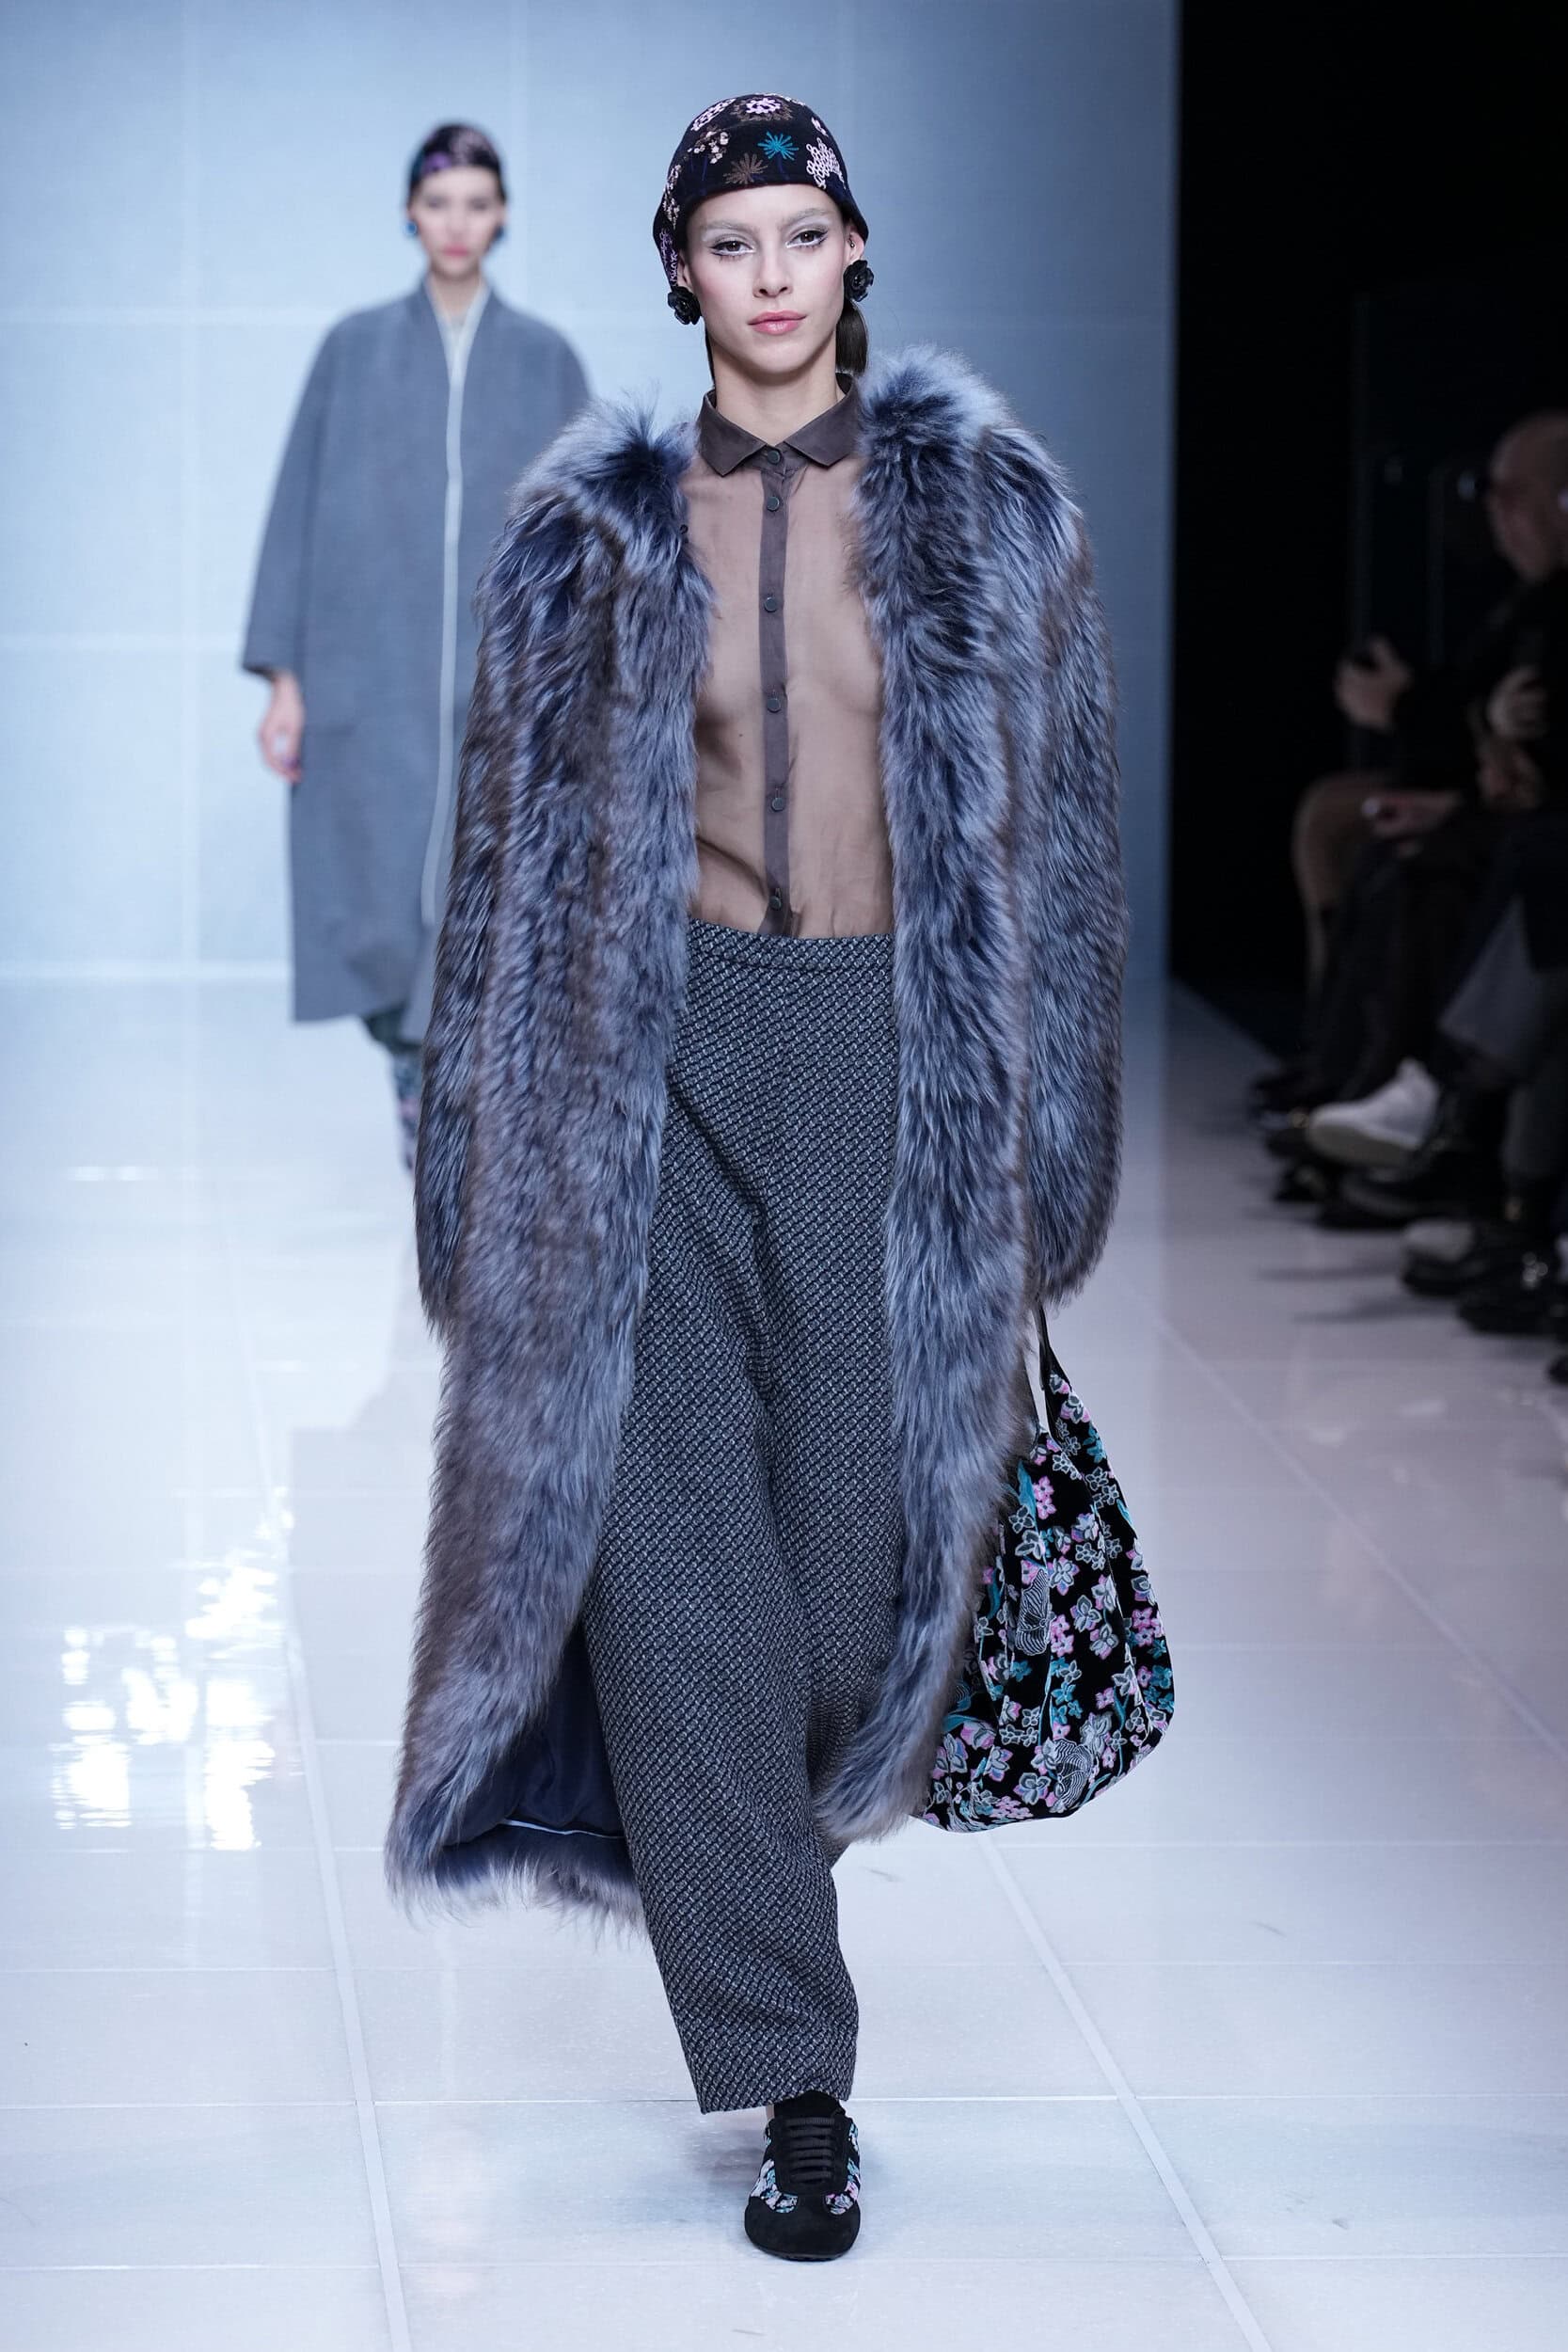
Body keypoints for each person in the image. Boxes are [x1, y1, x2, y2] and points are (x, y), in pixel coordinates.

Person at [385, 94, 1125, 2261]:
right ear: (679, 273)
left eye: (803, 233)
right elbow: (495, 869)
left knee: (843, 1574)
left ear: (854, 251)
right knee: (676, 1575)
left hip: (891, 1070)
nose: (773, 273)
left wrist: (1047, 1160)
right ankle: (796, 2073)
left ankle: (754, 1886)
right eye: (733, 241)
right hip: (647, 1077)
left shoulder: (993, 515)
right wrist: (469, 1175)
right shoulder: (587, 533)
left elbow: (1065, 850)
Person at [243, 124, 589, 1166]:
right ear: (409, 212)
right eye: (439, 204)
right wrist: (284, 678)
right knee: (375, 882)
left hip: (506, 674)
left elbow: (591, 528)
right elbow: (295, 509)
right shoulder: (352, 351)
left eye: (477, 203)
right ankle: (409, 1061)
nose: (457, 224)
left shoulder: (545, 361)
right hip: (371, 667)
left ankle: (456, 1085)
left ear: (503, 216)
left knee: (489, 878)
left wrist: (585, 672)